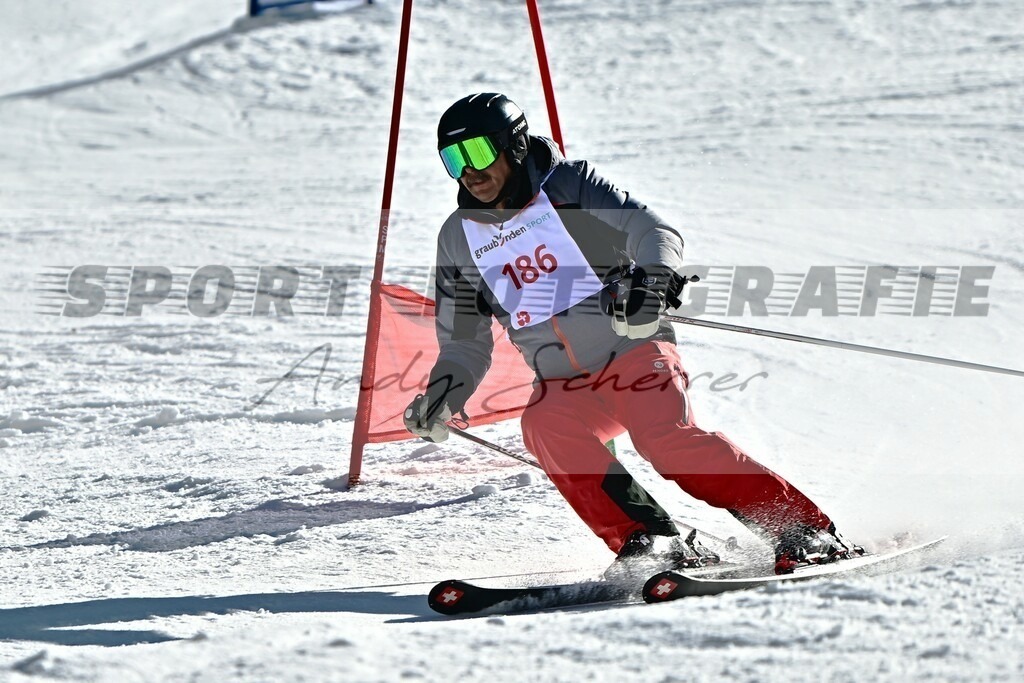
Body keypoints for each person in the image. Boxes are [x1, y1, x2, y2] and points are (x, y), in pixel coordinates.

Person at [404, 93, 859, 575]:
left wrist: (654, 282)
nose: (468, 172)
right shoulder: (458, 237)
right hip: (565, 383)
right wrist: (442, 395)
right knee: (542, 424)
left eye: (477, 152)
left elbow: (654, 231)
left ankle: (801, 528)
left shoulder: (570, 188)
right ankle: (650, 540)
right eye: (452, 159)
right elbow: (463, 341)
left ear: (514, 146)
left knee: (665, 440)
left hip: (633, 349)